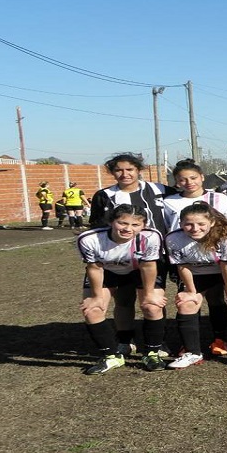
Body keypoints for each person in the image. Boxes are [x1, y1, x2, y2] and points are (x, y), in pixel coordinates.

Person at [89, 153, 176, 357]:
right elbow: (97, 226)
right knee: (124, 300)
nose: (124, 174)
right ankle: (125, 340)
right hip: (117, 257)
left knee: (152, 299)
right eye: (119, 170)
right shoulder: (104, 195)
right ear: (112, 172)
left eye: (129, 169)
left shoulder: (160, 190)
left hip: (154, 257)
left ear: (139, 170)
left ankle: (158, 342)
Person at [164, 159, 227, 357]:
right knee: (189, 299)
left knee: (217, 297)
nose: (189, 182)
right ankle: (190, 345)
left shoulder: (220, 199)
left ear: (202, 177)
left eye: (193, 177)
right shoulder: (168, 201)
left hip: (217, 256)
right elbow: (166, 226)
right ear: (176, 181)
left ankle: (219, 338)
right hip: (187, 257)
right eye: (182, 179)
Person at [76, 204, 168, 374]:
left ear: (144, 225)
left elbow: (148, 266)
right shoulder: (89, 239)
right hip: (107, 271)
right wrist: (96, 297)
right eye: (122, 223)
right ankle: (112, 356)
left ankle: (152, 353)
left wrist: (149, 294)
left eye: (135, 225)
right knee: (92, 310)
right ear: (111, 222)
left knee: (152, 306)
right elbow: (95, 268)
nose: (128, 229)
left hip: (139, 270)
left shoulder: (151, 237)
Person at [164, 203, 227, 369]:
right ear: (181, 223)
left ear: (211, 223)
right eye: (188, 224)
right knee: (186, 303)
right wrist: (190, 291)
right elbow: (183, 266)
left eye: (201, 224)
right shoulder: (173, 238)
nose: (194, 228)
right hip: (196, 273)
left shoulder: (226, 235)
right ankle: (192, 352)